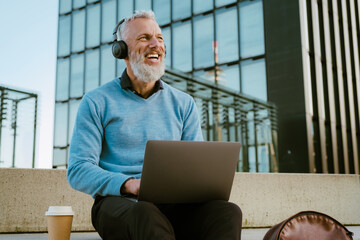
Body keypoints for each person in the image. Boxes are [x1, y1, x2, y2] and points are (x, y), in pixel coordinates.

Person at [67, 10, 242, 240]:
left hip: (173, 205)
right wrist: (129, 184)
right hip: (119, 204)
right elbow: (78, 169)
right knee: (145, 213)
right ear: (121, 50)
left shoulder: (184, 103)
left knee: (227, 212)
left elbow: (196, 167)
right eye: (144, 38)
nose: (156, 44)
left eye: (159, 38)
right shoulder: (97, 101)